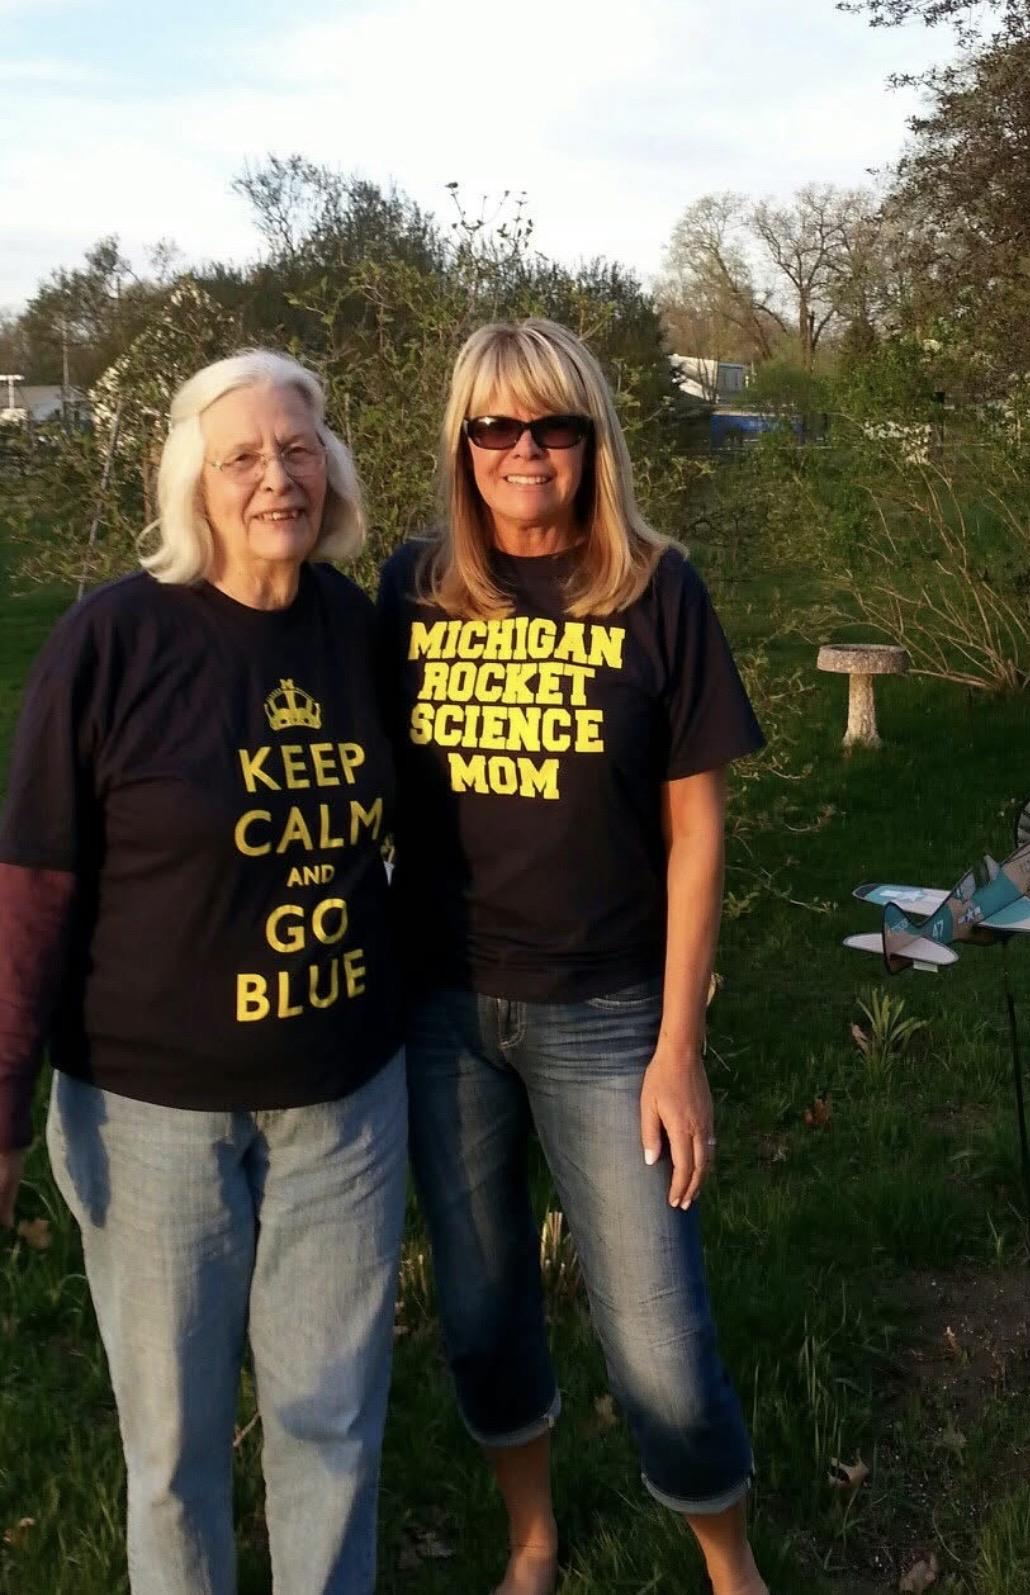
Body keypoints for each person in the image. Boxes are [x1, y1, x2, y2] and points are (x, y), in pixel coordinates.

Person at [0, 350, 407, 1595]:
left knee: (331, 1424)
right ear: (195, 482)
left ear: (328, 470)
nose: (274, 476)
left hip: (341, 1098)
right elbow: (33, 882)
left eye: (297, 449)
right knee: (172, 1450)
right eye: (241, 456)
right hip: (148, 1109)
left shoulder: (362, 633)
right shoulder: (112, 640)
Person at [377, 318, 768, 1595]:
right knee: (484, 1311)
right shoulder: (411, 586)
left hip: (607, 1013)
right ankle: (532, 1538)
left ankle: (728, 1564)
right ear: (462, 444)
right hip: (442, 1008)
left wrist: (677, 1046)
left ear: (592, 439)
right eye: (495, 426)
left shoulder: (659, 587)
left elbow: (696, 829)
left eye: (552, 424)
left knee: (655, 1332)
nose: (524, 449)